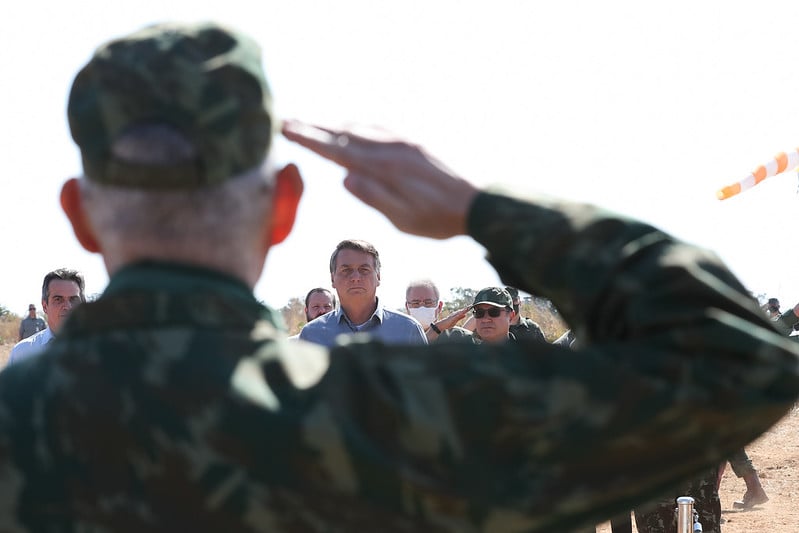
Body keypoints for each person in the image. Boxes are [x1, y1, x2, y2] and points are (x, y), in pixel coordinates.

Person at [0, 22, 796, 533]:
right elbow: (739, 360)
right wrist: (479, 209)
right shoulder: (381, 411)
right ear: (283, 210)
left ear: (80, 214)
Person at [299, 239, 427, 346]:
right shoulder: (311, 334)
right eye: (346, 270)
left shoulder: (408, 330)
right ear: (333, 278)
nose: (355, 277)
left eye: (364, 269)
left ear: (378, 276)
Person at [6, 268, 85, 367]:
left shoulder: (102, 351)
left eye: (73, 299)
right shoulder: (22, 353)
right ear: (45, 306)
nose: (67, 306)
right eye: (58, 299)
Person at [405, 278, 471, 342]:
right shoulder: (398, 337)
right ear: (407, 307)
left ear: (439, 307)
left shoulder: (460, 338)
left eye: (428, 302)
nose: (422, 307)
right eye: (416, 303)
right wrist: (436, 329)